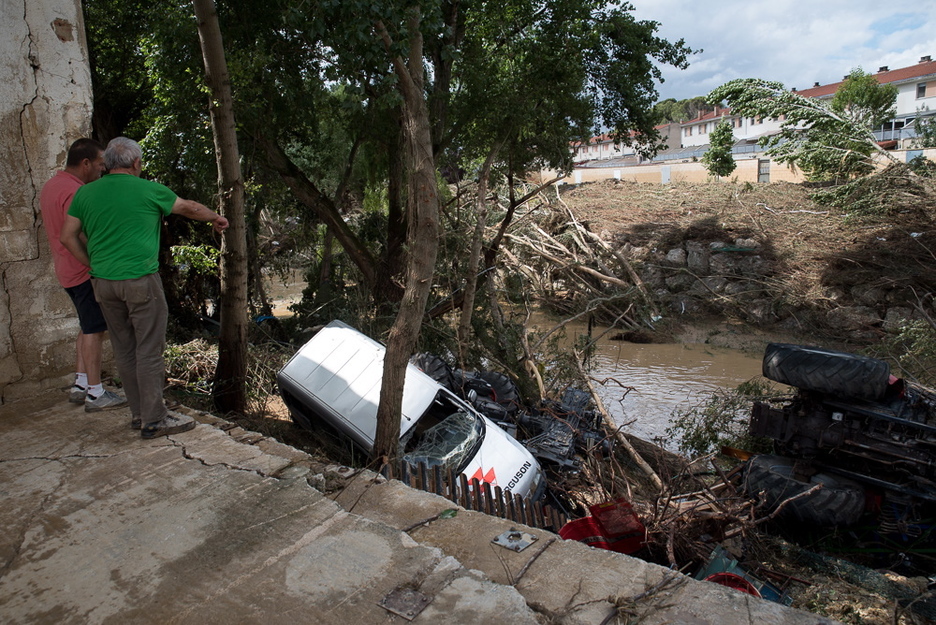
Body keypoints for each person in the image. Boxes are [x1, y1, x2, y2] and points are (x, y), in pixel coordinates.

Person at [60, 137, 229, 439]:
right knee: (149, 350)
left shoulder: (85, 193)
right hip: (140, 282)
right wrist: (216, 217)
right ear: (136, 163)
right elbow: (188, 208)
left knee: (124, 349)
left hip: (103, 284)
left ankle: (139, 414)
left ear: (108, 163)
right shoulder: (149, 189)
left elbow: (67, 236)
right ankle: (154, 419)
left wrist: (92, 265)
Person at [40, 138, 127, 412]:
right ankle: (95, 392)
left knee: (87, 325)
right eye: (100, 165)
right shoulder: (75, 192)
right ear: (86, 163)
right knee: (93, 330)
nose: (102, 170)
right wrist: (96, 264)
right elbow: (76, 234)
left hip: (65, 269)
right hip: (81, 270)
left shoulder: (53, 185)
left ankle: (80, 384)